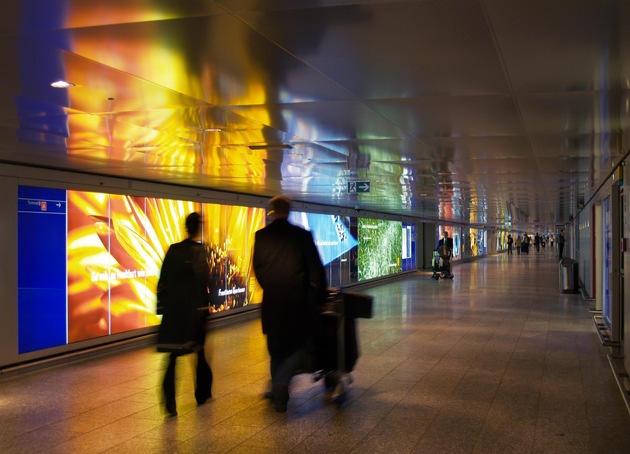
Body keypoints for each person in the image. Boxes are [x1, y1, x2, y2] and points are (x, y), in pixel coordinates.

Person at [253, 195, 327, 412]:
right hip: (298, 305)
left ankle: (279, 395)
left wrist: (271, 286)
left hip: (272, 303)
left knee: (276, 349)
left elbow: (257, 269)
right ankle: (280, 385)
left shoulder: (262, 236)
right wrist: (318, 297)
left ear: (272, 211)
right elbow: (316, 270)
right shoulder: (302, 236)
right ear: (289, 211)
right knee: (298, 348)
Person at [156, 212, 213, 417]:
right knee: (199, 353)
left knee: (172, 357)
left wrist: (162, 310)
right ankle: (202, 394)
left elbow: (162, 282)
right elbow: (203, 283)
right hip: (192, 315)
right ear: (197, 228)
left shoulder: (174, 250)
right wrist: (206, 309)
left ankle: (169, 402)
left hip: (174, 313)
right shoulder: (200, 251)